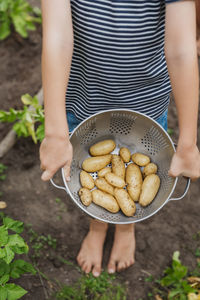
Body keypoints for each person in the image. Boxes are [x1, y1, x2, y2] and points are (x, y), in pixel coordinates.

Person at [40, 0, 200, 277]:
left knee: (135, 174)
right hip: (84, 96)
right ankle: (98, 224)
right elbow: (57, 38)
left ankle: (126, 227)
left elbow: (181, 51)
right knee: (88, 176)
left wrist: (187, 142)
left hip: (146, 102)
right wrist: (55, 132)